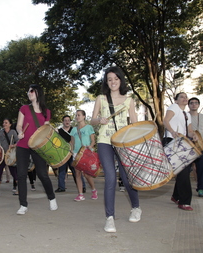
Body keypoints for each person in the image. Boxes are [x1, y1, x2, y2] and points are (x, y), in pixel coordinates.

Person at [91, 66, 141, 233]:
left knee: (127, 179)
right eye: (109, 79)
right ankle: (110, 218)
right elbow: (92, 120)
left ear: (121, 80)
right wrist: (100, 120)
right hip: (105, 141)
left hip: (123, 142)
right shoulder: (101, 98)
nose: (112, 82)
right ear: (106, 81)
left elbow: (134, 124)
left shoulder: (129, 100)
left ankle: (136, 207)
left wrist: (137, 142)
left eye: (116, 78)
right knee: (111, 178)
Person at [15, 84, 57, 215]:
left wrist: (52, 130)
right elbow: (18, 125)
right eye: (28, 91)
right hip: (22, 146)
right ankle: (23, 204)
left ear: (38, 92)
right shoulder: (24, 108)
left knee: (42, 174)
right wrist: (20, 132)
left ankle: (52, 198)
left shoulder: (46, 112)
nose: (29, 93)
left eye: (31, 91)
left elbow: (45, 130)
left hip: (38, 147)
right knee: (21, 174)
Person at [163, 92, 198, 211]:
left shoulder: (186, 114)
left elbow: (190, 130)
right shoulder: (174, 107)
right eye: (181, 97)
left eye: (185, 97)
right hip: (172, 140)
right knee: (183, 170)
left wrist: (194, 135)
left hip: (181, 142)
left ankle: (176, 196)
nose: (184, 98)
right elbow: (165, 120)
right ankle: (184, 201)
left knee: (184, 169)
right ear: (176, 100)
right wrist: (172, 131)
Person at [70, 110, 98, 201]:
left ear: (84, 116)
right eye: (76, 115)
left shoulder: (89, 127)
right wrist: (71, 151)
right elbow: (72, 142)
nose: (77, 117)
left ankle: (93, 190)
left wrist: (90, 146)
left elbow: (93, 140)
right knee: (77, 174)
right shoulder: (74, 129)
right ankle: (80, 194)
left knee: (87, 175)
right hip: (76, 154)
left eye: (79, 115)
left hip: (86, 153)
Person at [55, 115, 86, 193]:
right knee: (62, 171)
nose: (67, 122)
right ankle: (61, 187)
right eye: (65, 120)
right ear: (63, 122)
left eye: (68, 120)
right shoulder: (59, 131)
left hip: (73, 153)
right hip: (63, 154)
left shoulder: (74, 130)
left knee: (76, 171)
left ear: (70, 121)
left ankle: (82, 187)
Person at [0, 118, 18, 196]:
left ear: (10, 124)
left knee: (14, 173)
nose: (4, 124)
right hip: (2, 155)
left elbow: (18, 141)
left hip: (10, 155)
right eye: (3, 122)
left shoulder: (13, 132)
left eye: (6, 123)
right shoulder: (0, 132)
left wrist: (13, 145)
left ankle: (19, 190)